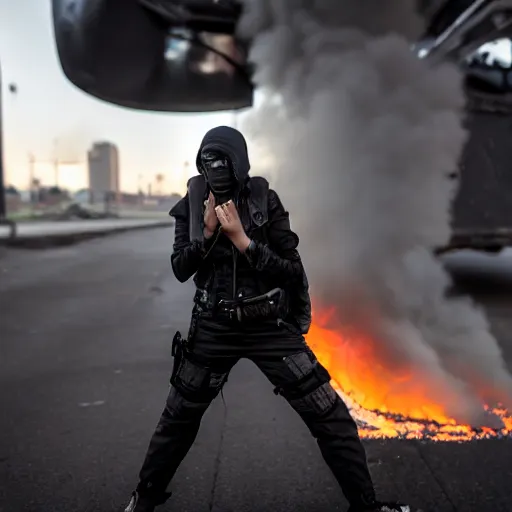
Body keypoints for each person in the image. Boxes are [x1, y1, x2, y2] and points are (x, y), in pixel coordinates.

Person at [124, 126, 412, 512]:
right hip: (213, 327)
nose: (216, 169)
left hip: (267, 326)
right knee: (177, 419)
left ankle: (366, 506)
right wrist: (208, 234)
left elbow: (291, 270)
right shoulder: (193, 203)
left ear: (238, 162)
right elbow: (180, 268)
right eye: (208, 161)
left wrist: (243, 240)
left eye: (223, 160)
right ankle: (143, 500)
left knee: (331, 416)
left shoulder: (263, 199)